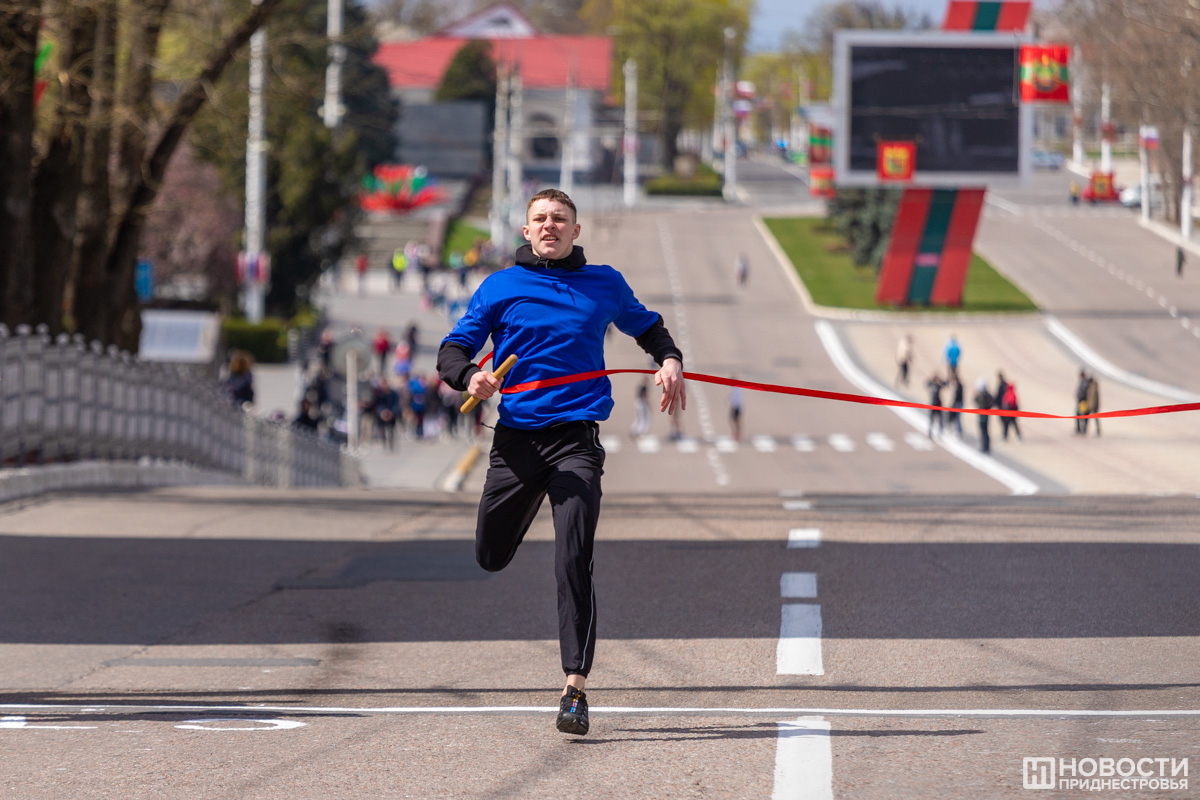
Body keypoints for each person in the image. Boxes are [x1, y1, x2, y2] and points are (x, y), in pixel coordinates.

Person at [436, 188, 685, 737]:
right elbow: (453, 349)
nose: (550, 226)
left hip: (576, 442)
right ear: (526, 231)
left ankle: (574, 688)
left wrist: (669, 360)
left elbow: (649, 327)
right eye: (540, 219)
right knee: (490, 555)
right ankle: (522, 508)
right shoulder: (500, 288)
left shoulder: (605, 283)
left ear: (576, 230)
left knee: (573, 554)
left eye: (560, 219)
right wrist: (469, 376)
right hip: (517, 443)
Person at [999, 374, 1022, 442]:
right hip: (1009, 413)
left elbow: (1012, 404)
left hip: (1011, 413)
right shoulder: (1009, 393)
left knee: (1012, 425)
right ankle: (1005, 437)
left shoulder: (1011, 394)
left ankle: (1016, 436)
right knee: (1008, 425)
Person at [974, 377, 993, 454]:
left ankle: (985, 447)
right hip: (983, 415)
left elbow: (976, 401)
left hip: (983, 416)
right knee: (984, 432)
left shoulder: (983, 396)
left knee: (984, 432)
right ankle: (985, 446)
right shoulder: (987, 395)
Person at [926, 373, 944, 438]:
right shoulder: (931, 384)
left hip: (938, 404)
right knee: (932, 420)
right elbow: (926, 383)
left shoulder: (938, 385)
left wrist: (939, 380)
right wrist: (932, 378)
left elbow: (945, 384)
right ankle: (930, 432)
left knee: (939, 420)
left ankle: (939, 433)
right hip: (932, 404)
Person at [947, 372, 963, 437]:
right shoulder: (958, 385)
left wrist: (953, 404)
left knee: (957, 418)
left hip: (958, 403)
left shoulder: (958, 386)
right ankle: (957, 430)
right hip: (958, 403)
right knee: (956, 418)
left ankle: (959, 431)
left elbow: (956, 396)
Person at [1075, 369, 1090, 435]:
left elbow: (1083, 393)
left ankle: (1081, 429)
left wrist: (1080, 398)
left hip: (1083, 402)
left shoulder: (1084, 383)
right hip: (1082, 402)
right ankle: (1081, 429)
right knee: (1081, 415)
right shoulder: (1084, 382)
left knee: (1081, 415)